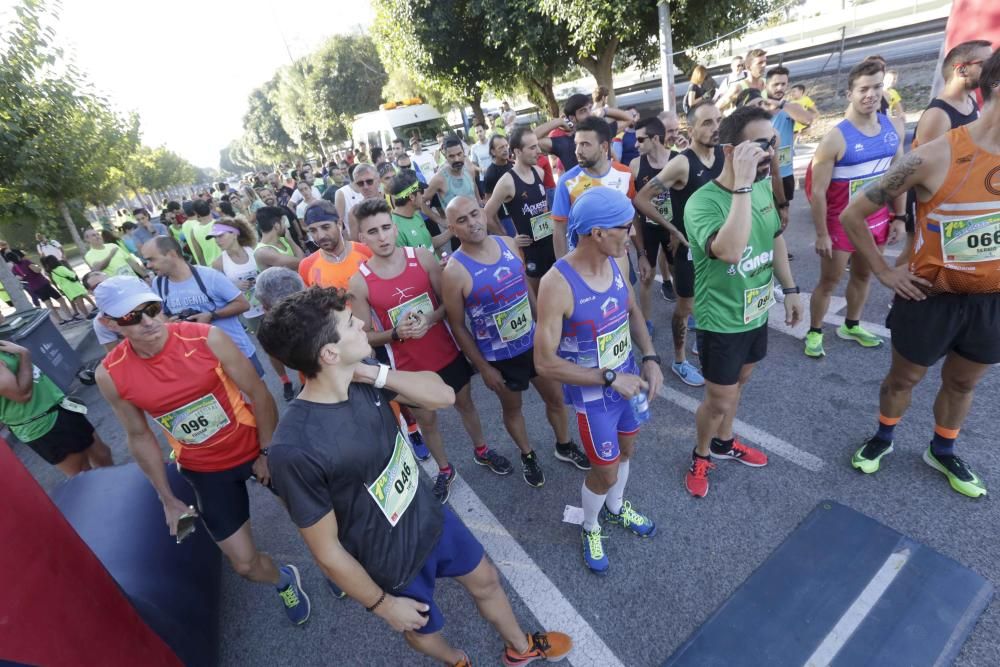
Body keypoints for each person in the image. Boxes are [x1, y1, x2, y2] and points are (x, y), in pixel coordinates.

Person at [256, 287, 572, 667]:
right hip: (389, 560)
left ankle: (519, 649)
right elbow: (326, 552)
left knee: (487, 579)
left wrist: (372, 372)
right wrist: (383, 604)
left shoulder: (364, 380)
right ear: (329, 354)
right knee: (421, 631)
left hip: (431, 518)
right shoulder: (294, 449)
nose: (362, 324)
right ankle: (456, 660)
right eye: (349, 323)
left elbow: (443, 396)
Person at [92, 276, 310, 625]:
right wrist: (167, 498)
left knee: (311, 521)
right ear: (109, 324)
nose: (149, 322)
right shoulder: (111, 374)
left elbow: (259, 393)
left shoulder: (205, 338)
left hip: (255, 445)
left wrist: (267, 451)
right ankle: (284, 578)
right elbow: (139, 435)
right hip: (205, 469)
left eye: (152, 309)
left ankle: (334, 567)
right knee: (244, 565)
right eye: (132, 317)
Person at [841, 47, 1000, 499]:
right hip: (929, 296)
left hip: (990, 302)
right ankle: (884, 437)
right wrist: (884, 273)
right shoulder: (934, 155)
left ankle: (943, 449)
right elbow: (854, 215)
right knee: (903, 380)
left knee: (963, 382)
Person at [534, 186, 662, 574]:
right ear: (597, 233)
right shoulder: (557, 284)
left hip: (626, 382)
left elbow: (631, 310)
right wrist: (609, 378)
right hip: (596, 394)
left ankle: (617, 508)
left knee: (627, 453)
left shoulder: (617, 260)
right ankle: (590, 525)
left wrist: (651, 357)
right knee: (604, 470)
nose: (633, 234)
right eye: (626, 227)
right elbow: (544, 362)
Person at [349, 198, 510, 504]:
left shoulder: (422, 258)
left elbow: (447, 304)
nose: (382, 237)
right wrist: (397, 333)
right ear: (362, 238)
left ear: (395, 229)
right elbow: (365, 337)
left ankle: (482, 450)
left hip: (446, 353)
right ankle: (445, 469)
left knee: (466, 404)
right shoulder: (359, 281)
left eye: (385, 228)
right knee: (428, 421)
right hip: (409, 366)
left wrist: (429, 319)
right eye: (373, 232)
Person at [682, 106, 803, 498]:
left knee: (740, 384)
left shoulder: (764, 186)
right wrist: (744, 186)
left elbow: (774, 238)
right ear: (731, 149)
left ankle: (724, 442)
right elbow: (731, 251)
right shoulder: (702, 203)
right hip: (721, 320)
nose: (770, 152)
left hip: (755, 312)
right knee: (718, 398)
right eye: (760, 145)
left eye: (772, 143)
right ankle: (701, 452)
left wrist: (790, 288)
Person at [442, 196, 584, 486]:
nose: (472, 223)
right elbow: (457, 325)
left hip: (534, 345)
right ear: (452, 229)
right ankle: (528, 454)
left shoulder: (507, 244)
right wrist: (483, 368)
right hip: (500, 359)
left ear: (483, 214)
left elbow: (525, 290)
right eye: (462, 220)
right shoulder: (454, 271)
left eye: (474, 214)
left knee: (556, 398)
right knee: (513, 408)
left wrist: (544, 327)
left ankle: (564, 445)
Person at [804, 59, 904, 358]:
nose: (870, 94)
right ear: (850, 93)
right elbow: (818, 193)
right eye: (863, 89)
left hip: (877, 220)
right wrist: (821, 234)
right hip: (840, 224)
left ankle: (851, 324)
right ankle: (815, 330)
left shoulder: (891, 127)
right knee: (830, 280)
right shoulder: (835, 138)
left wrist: (899, 216)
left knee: (864, 276)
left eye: (876, 87)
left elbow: (898, 177)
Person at [634, 101, 724, 376]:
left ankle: (704, 344)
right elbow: (641, 199)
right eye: (707, 123)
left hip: (719, 247)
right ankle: (680, 360)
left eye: (718, 121)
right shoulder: (682, 163)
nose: (715, 128)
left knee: (712, 300)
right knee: (685, 308)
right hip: (690, 250)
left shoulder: (723, 154)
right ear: (692, 128)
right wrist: (672, 229)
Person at [898, 40, 993, 265]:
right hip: (933, 198)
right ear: (961, 69)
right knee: (915, 251)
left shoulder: (970, 101)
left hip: (960, 195)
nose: (993, 69)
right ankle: (900, 297)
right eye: (986, 64)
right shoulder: (938, 115)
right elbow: (922, 169)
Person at [141, 236, 264, 377]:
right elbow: (160, 315)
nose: (148, 265)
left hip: (237, 353)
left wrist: (211, 315)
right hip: (199, 362)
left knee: (256, 395)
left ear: (171, 254)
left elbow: (243, 304)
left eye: (151, 259)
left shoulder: (210, 276)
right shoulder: (159, 283)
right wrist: (169, 323)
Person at [0, 339, 112, 476]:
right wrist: (24, 354)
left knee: (102, 454)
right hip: (41, 424)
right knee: (83, 475)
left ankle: (121, 491)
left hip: (58, 407)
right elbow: (21, 395)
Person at [484, 127, 558, 295]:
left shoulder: (538, 172)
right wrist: (508, 240)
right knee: (538, 298)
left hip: (549, 243)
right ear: (517, 151)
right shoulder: (507, 182)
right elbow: (486, 215)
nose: (539, 151)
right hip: (530, 251)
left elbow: (542, 206)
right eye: (532, 147)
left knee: (556, 292)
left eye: (537, 146)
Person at [628, 117, 683, 342]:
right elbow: (633, 208)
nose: (636, 144)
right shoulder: (636, 165)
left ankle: (685, 313)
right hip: (649, 229)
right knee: (646, 277)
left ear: (655, 138)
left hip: (673, 228)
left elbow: (686, 202)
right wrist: (639, 249)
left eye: (640, 139)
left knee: (679, 272)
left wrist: (676, 230)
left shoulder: (678, 161)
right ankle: (647, 321)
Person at [550, 116, 635, 258]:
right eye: (576, 144)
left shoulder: (625, 173)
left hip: (619, 259)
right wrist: (563, 269)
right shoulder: (567, 182)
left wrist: (641, 253)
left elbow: (632, 216)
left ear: (604, 147)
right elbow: (559, 230)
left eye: (585, 144)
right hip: (583, 264)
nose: (578, 151)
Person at [535, 93, 639, 172]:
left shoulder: (603, 132)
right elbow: (532, 139)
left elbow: (629, 119)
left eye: (590, 108)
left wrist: (605, 111)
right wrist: (558, 121)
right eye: (583, 111)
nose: (589, 113)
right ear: (572, 118)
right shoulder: (564, 143)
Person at [762, 66, 818, 208]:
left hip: (785, 173)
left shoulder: (790, 107)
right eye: (775, 84)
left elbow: (807, 119)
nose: (780, 88)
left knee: (783, 216)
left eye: (783, 84)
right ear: (766, 85)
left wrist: (781, 104)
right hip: (762, 175)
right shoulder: (758, 108)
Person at [298, 202, 373, 290]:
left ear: (339, 224)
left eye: (326, 227)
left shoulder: (367, 252)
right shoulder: (306, 266)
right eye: (313, 230)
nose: (321, 236)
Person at [209, 219, 264, 334]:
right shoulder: (218, 263)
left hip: (270, 304)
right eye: (214, 238)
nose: (217, 241)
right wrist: (234, 287)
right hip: (251, 313)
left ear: (234, 234)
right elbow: (219, 294)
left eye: (220, 236)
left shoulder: (254, 250)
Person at [388, 171, 452, 255]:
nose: (424, 194)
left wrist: (453, 230)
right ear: (412, 197)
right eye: (421, 191)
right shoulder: (396, 231)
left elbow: (429, 243)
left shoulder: (415, 214)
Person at [424, 138, 482, 215]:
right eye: (451, 156)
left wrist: (479, 202)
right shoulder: (439, 178)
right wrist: (440, 220)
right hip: (456, 225)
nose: (456, 159)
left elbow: (474, 185)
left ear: (463, 152)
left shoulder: (469, 169)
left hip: (476, 221)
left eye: (459, 154)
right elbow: (421, 201)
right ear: (445, 156)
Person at [11, 256, 75, 324]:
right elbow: (37, 270)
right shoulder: (26, 262)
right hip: (43, 284)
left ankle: (60, 321)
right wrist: (38, 267)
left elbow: (19, 278)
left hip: (34, 287)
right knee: (61, 300)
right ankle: (70, 316)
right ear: (18, 257)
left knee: (48, 304)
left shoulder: (14, 269)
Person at [483, 134, 515, 236]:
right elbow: (489, 206)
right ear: (493, 151)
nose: (505, 149)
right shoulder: (490, 174)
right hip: (506, 219)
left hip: (520, 212)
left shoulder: (513, 164)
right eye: (501, 147)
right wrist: (500, 229)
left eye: (506, 146)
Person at [83, 228, 147, 279]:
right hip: (118, 286)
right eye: (94, 235)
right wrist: (110, 255)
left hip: (133, 279)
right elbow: (98, 268)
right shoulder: (89, 255)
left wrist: (145, 276)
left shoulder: (113, 245)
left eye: (98, 234)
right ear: (87, 239)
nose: (97, 236)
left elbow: (130, 261)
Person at [41, 255, 90, 319]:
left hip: (66, 289)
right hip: (73, 286)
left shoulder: (53, 272)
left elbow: (57, 281)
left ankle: (86, 314)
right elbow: (72, 275)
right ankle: (87, 315)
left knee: (77, 302)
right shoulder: (61, 268)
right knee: (80, 302)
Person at [718, 49, 767, 113]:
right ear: (749, 67)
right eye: (760, 63)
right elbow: (717, 108)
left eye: (765, 62)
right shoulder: (739, 87)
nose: (764, 65)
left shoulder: (767, 83)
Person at [342, 164, 382, 241]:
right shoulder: (354, 213)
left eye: (369, 181)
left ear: (378, 181)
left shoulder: (392, 200)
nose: (365, 187)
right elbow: (357, 245)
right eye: (360, 183)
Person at [181, 199, 222, 267]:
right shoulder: (220, 224)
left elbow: (199, 256)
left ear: (196, 213)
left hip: (211, 268)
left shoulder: (193, 231)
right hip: (227, 264)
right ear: (209, 208)